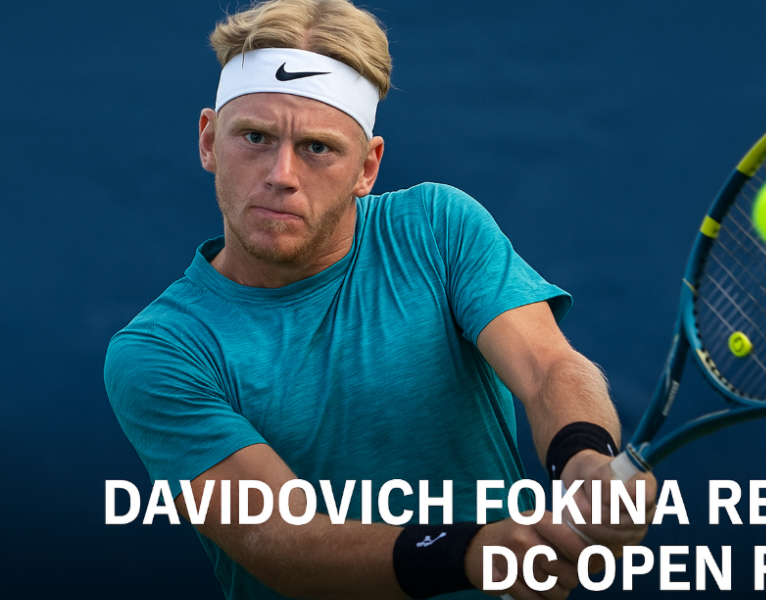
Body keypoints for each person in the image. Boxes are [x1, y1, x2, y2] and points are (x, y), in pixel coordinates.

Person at [104, 1, 657, 599]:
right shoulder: (159, 352)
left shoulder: (439, 228)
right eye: (255, 137)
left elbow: (548, 366)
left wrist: (585, 461)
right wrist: (472, 553)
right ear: (210, 140)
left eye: (317, 148)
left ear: (367, 168)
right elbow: (285, 540)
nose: (281, 174)